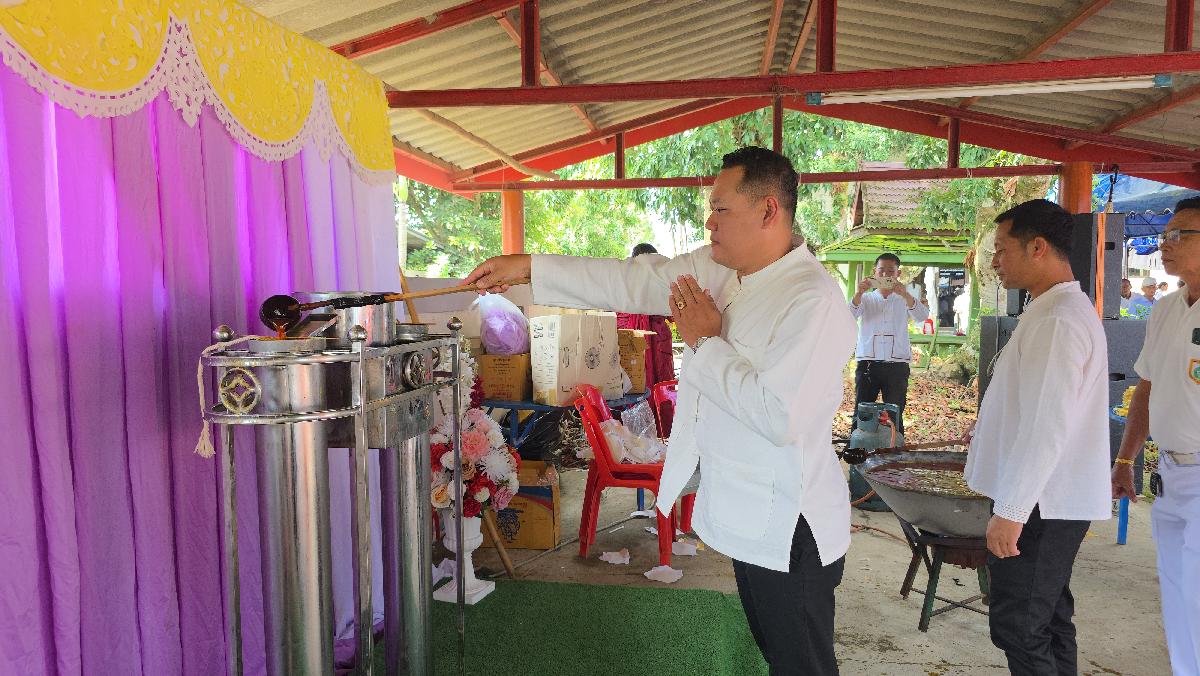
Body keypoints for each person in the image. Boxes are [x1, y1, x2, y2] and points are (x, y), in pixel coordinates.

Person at [465, 146, 857, 674]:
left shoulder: (811, 299)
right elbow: (631, 279)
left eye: (721, 209)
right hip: (750, 514)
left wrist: (705, 341)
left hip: (791, 523)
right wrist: (531, 267)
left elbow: (778, 416)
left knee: (803, 665)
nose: (709, 222)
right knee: (777, 655)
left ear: (768, 210)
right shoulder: (723, 271)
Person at [962, 199, 1111, 675]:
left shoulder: (1059, 319)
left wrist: (1011, 512)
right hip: (1046, 499)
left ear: (1038, 247)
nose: (994, 261)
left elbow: (1047, 426)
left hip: (1041, 502)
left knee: (1021, 628)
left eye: (1002, 249)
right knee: (1047, 619)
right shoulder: (1050, 308)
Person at [1111, 197, 1200, 676]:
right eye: (1165, 235)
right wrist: (1126, 459)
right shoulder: (1165, 309)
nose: (1166, 245)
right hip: (1169, 473)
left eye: (1179, 236)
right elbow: (1145, 388)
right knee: (1178, 592)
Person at [849, 253, 928, 434]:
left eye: (891, 271)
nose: (885, 275)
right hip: (868, 362)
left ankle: (894, 448)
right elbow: (849, 315)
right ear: (874, 272)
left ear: (898, 274)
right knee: (862, 410)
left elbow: (922, 316)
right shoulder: (866, 298)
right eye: (881, 270)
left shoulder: (904, 299)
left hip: (896, 364)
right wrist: (859, 292)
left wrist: (905, 294)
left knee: (895, 411)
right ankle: (857, 447)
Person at [616, 244, 676, 390]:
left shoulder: (622, 281)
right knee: (650, 381)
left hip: (641, 336)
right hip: (641, 336)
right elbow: (675, 314)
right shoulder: (662, 280)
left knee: (632, 382)